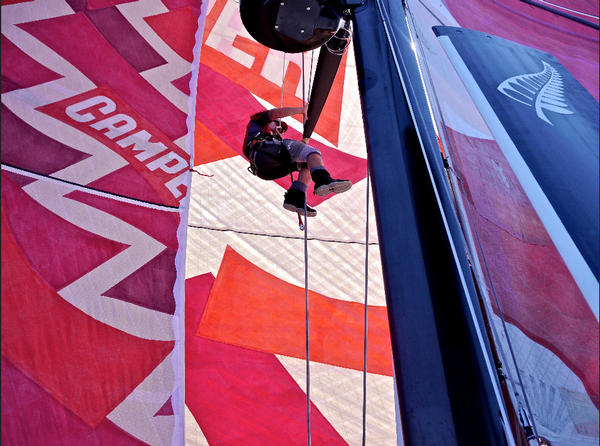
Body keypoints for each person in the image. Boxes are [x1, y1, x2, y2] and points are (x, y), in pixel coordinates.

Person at [242, 106, 352, 217]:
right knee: (313, 152)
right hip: (263, 153)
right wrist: (301, 110)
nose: (279, 130)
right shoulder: (259, 121)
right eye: (277, 125)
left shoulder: (269, 139)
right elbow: (273, 114)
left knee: (308, 162)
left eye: (281, 130)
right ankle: (323, 179)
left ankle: (296, 197)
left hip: (265, 170)